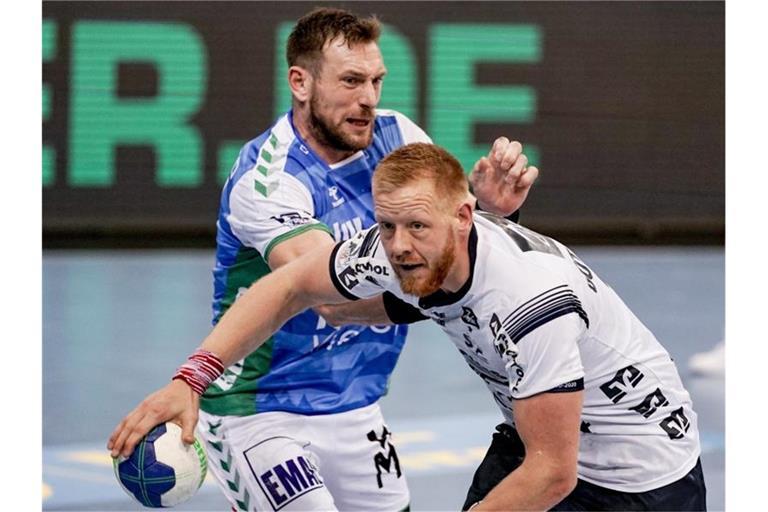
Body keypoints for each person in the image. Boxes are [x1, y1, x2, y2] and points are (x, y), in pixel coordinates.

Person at [109, 142, 706, 511]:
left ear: (464, 216)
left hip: (640, 481)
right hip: (540, 444)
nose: (398, 247)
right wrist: (191, 379)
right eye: (387, 225)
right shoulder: (405, 248)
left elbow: (553, 473)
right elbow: (289, 287)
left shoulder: (529, 301)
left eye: (417, 227)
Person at [109, 7, 537, 512]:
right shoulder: (268, 180)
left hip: (357, 403)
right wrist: (451, 263)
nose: (369, 100)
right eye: (351, 81)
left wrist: (485, 213)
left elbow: (448, 237)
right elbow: (329, 294)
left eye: (377, 81)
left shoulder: (399, 137)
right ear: (300, 82)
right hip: (259, 409)